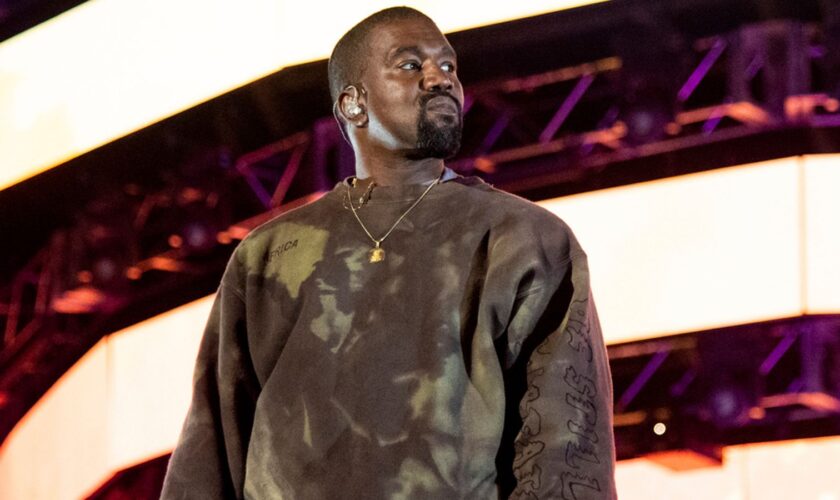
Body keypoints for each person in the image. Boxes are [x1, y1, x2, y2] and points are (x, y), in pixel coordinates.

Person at [161, 6, 616, 499]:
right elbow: (214, 444)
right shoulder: (271, 255)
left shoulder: (526, 239)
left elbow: (567, 442)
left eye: (448, 66)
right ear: (353, 104)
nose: (439, 79)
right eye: (410, 64)